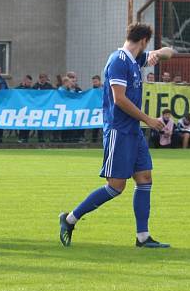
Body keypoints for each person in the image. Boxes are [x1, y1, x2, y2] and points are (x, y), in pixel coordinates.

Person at [59, 22, 176, 248]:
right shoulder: (118, 61)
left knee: (144, 179)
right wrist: (148, 120)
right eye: (148, 46)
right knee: (116, 186)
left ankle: (143, 237)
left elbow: (170, 53)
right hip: (119, 131)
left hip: (133, 132)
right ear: (143, 41)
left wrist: (158, 54)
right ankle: (70, 218)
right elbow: (120, 99)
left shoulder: (136, 60)